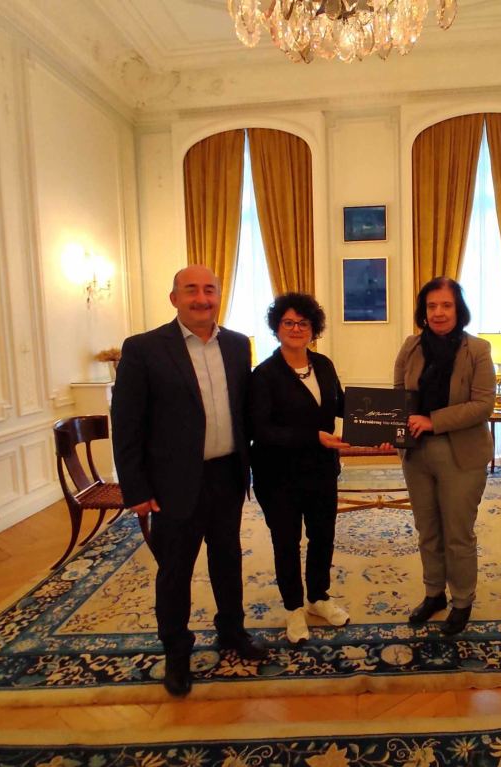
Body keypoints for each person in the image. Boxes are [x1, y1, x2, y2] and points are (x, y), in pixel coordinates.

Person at [111, 264, 268, 699]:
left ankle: (232, 631)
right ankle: (177, 652)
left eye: (209, 290)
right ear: (174, 298)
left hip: (227, 474)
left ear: (219, 295)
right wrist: (136, 489)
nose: (201, 298)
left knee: (228, 559)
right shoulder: (143, 348)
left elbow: (244, 410)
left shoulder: (237, 345)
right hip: (173, 483)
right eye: (191, 290)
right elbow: (126, 424)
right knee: (175, 570)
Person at [394, 277, 495, 636]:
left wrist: (432, 421)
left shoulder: (477, 349)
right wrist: (392, 428)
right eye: (432, 306)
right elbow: (398, 395)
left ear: (458, 309)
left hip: (461, 453)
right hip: (416, 454)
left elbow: (482, 405)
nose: (438, 312)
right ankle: (434, 593)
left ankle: (462, 600)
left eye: (446, 305)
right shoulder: (410, 347)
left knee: (457, 533)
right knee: (427, 530)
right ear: (423, 311)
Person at [249, 292, 351, 645]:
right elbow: (261, 430)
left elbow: (341, 405)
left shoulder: (323, 364)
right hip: (278, 475)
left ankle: (318, 598)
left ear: (313, 328)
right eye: (288, 322)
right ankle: (294, 608)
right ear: (277, 327)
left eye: (303, 323)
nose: (296, 328)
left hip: (322, 470)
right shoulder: (264, 374)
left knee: (323, 536)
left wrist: (380, 423)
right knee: (287, 542)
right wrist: (313, 436)